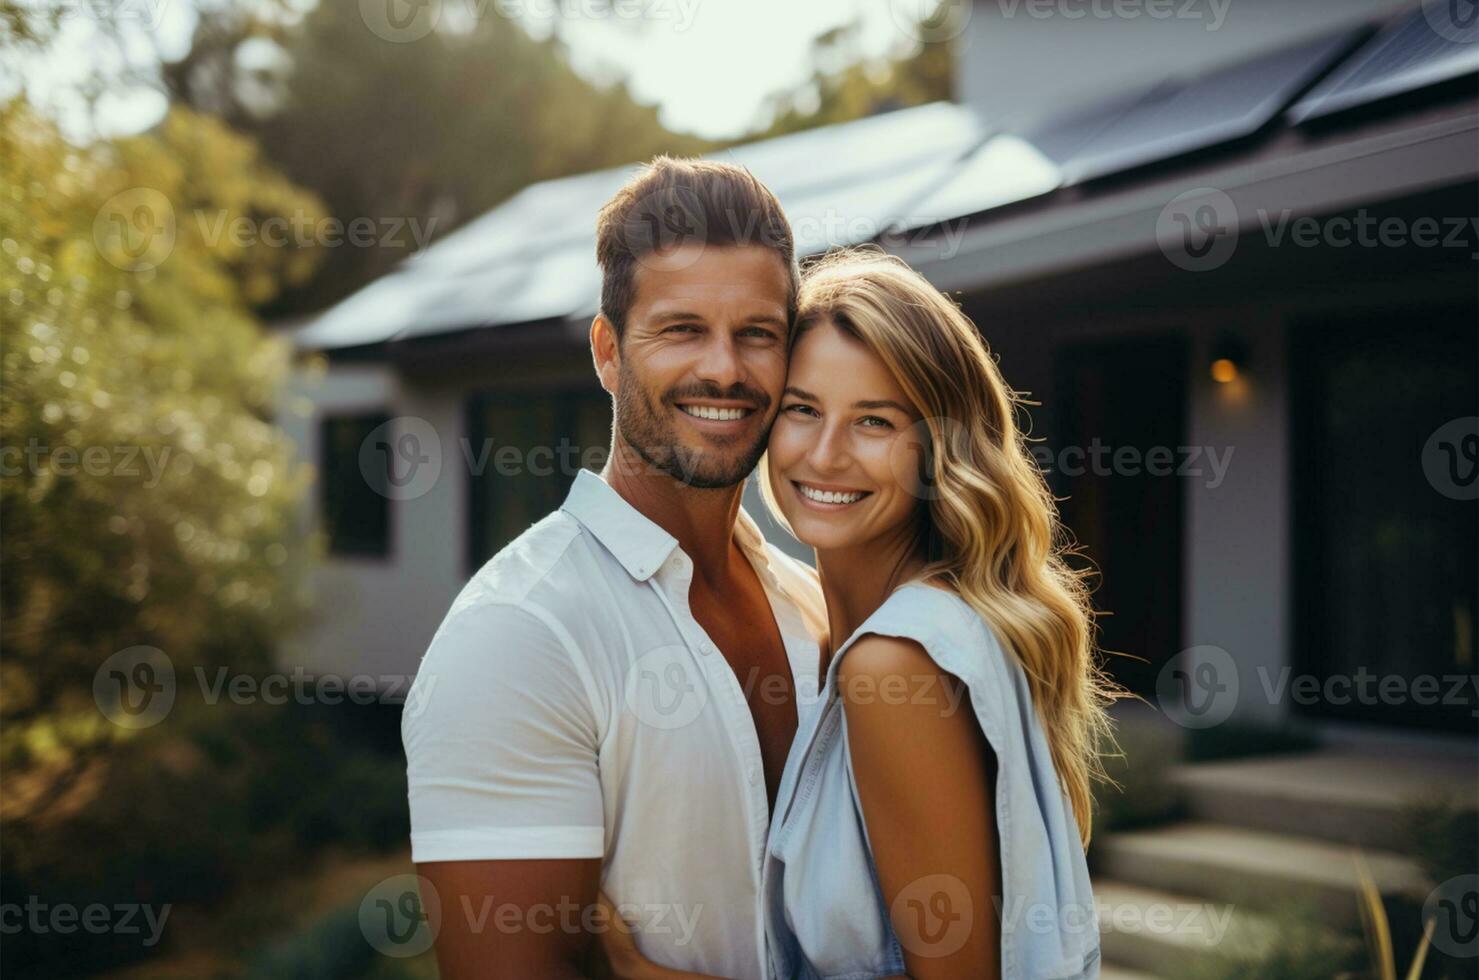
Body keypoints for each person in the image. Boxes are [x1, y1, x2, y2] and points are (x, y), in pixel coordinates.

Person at [600, 248, 1114, 979]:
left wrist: (643, 974)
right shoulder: (901, 630)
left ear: (939, 450)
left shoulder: (894, 666)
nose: (826, 454)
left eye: (873, 421)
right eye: (803, 410)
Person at [401, 157, 828, 978]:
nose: (725, 370)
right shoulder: (518, 635)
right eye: (681, 329)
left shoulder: (813, 604)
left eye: (757, 335)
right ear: (607, 351)